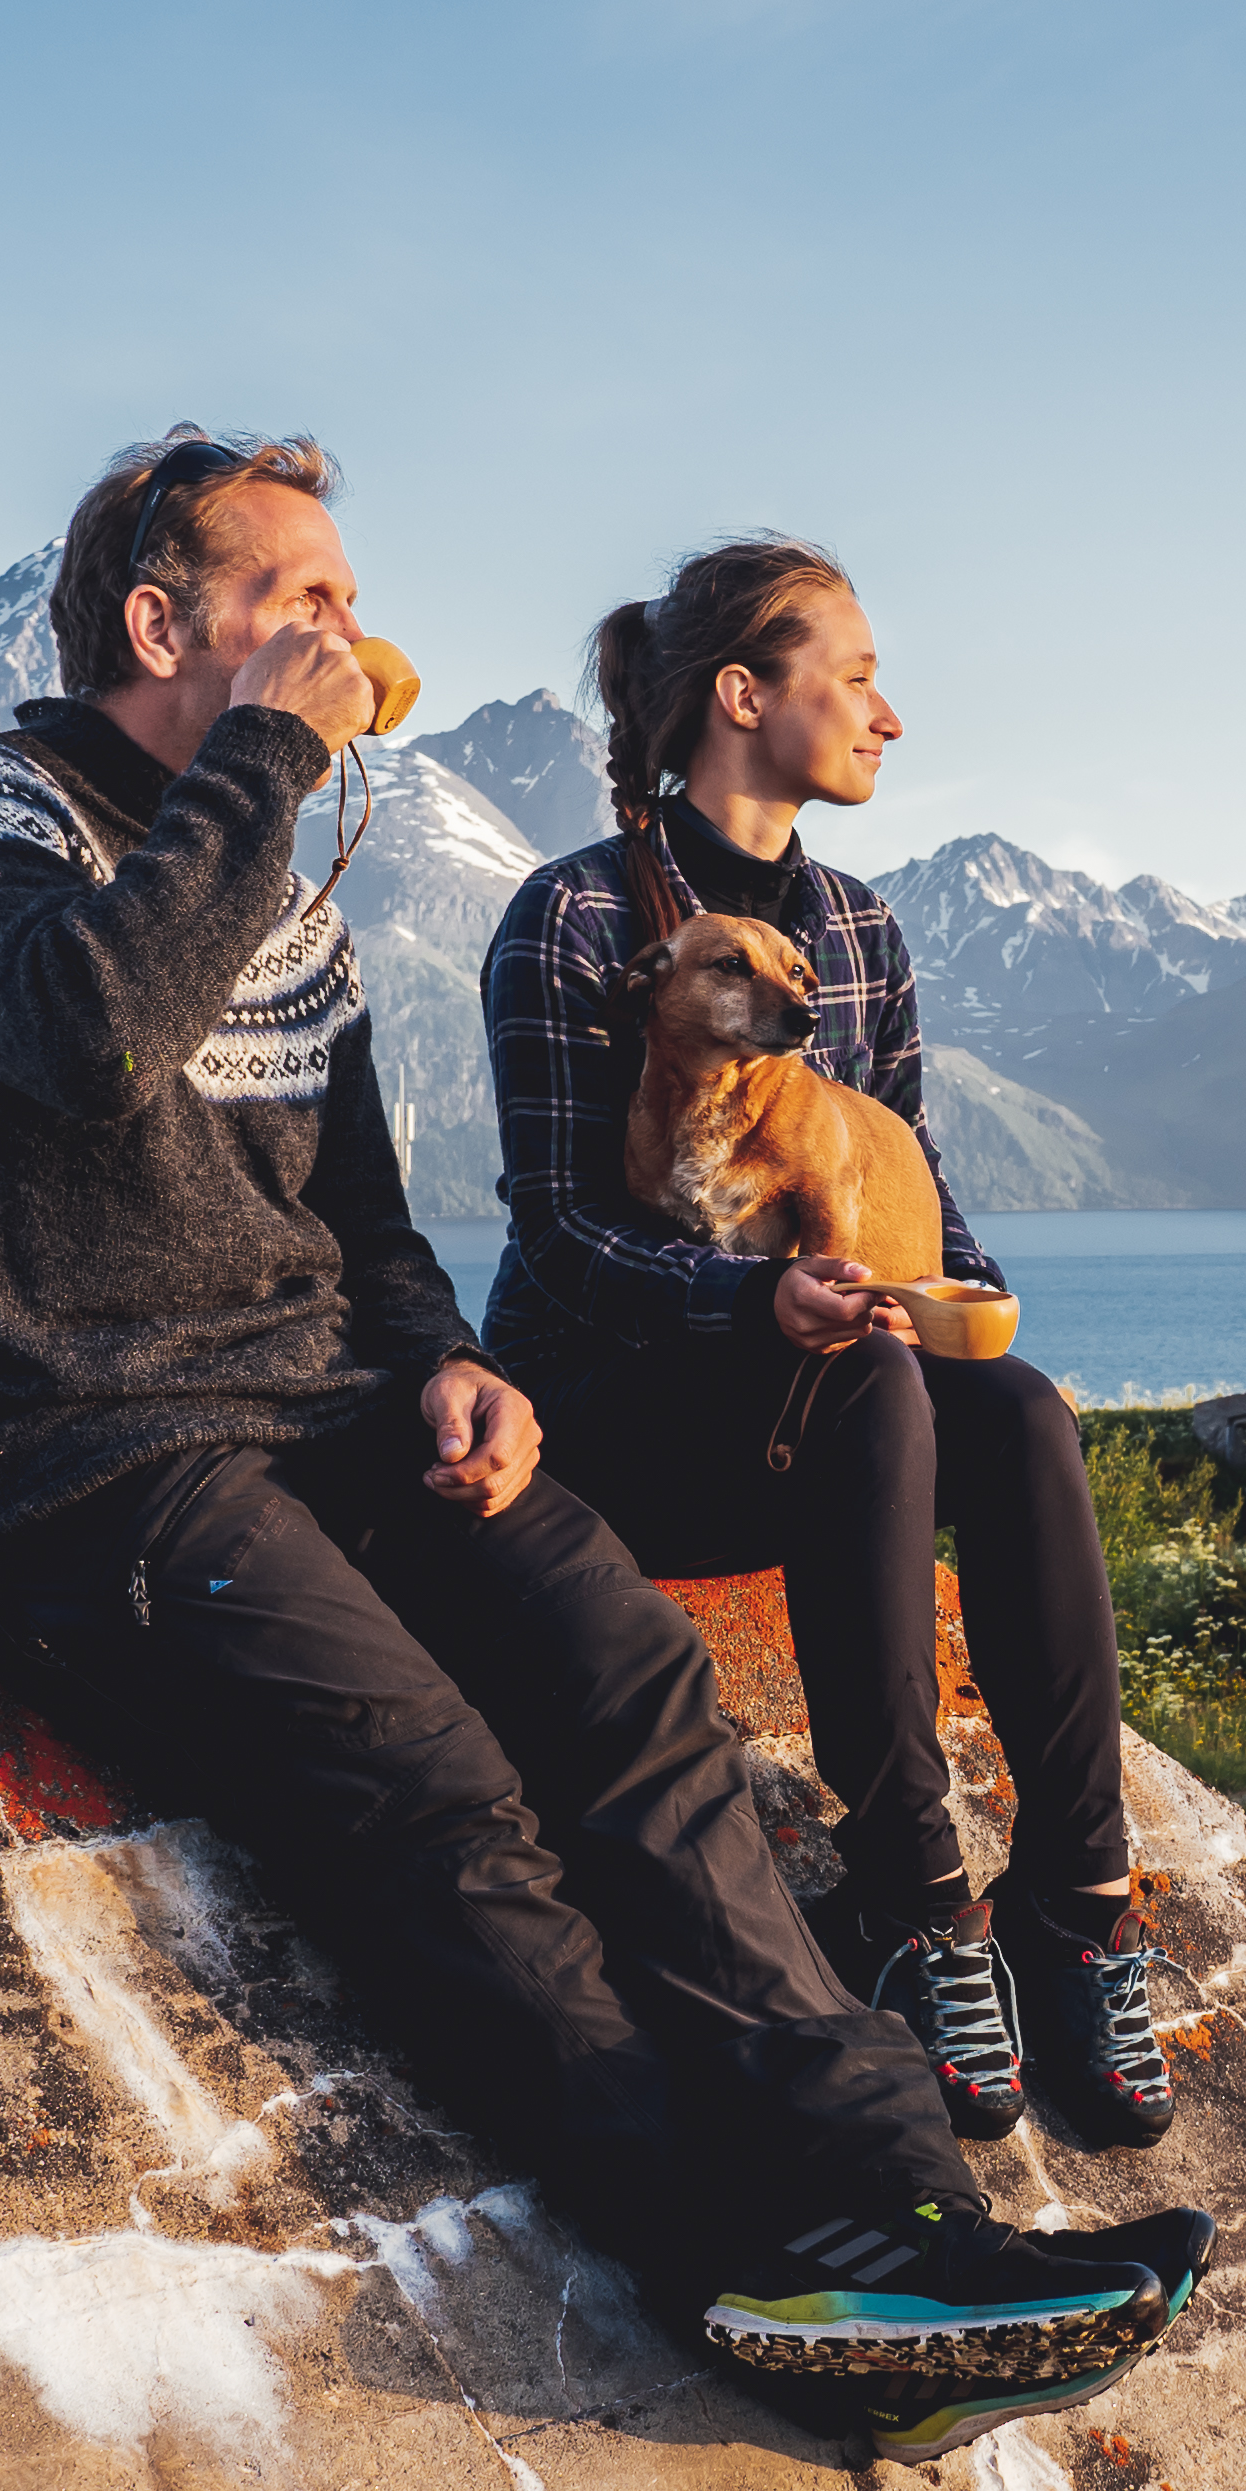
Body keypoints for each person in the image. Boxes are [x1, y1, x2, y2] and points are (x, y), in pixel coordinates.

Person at [0, 429, 1202, 2460]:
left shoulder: (278, 882)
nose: (347, 642)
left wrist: (446, 1360)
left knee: (625, 1669)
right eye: (306, 603)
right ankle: (732, 2249)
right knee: (434, 1782)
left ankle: (912, 2205)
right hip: (68, 1446)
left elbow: (361, 1220)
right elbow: (93, 1034)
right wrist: (270, 757)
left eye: (350, 611)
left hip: (318, 1408)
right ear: (158, 621)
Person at [478, 537, 1174, 2160]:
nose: (889, 715)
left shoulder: (858, 932)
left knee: (1014, 1411)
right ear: (744, 696)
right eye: (856, 677)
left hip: (830, 1406)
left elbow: (906, 1169)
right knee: (866, 1376)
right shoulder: (574, 922)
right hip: (621, 1414)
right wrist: (742, 1305)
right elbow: (556, 1232)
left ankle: (1076, 1901)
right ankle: (917, 1902)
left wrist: (970, 1296)